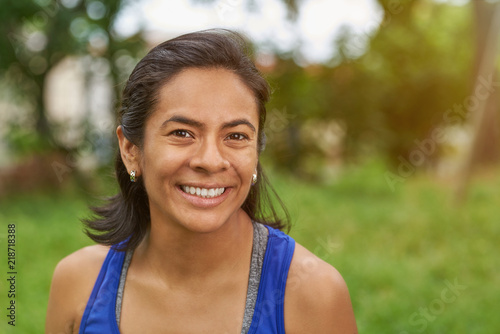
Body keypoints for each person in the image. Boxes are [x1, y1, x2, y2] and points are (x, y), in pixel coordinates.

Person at [46, 29, 358, 334]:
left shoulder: (312, 293)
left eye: (236, 136)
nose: (210, 160)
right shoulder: (79, 285)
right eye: (182, 133)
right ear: (131, 150)